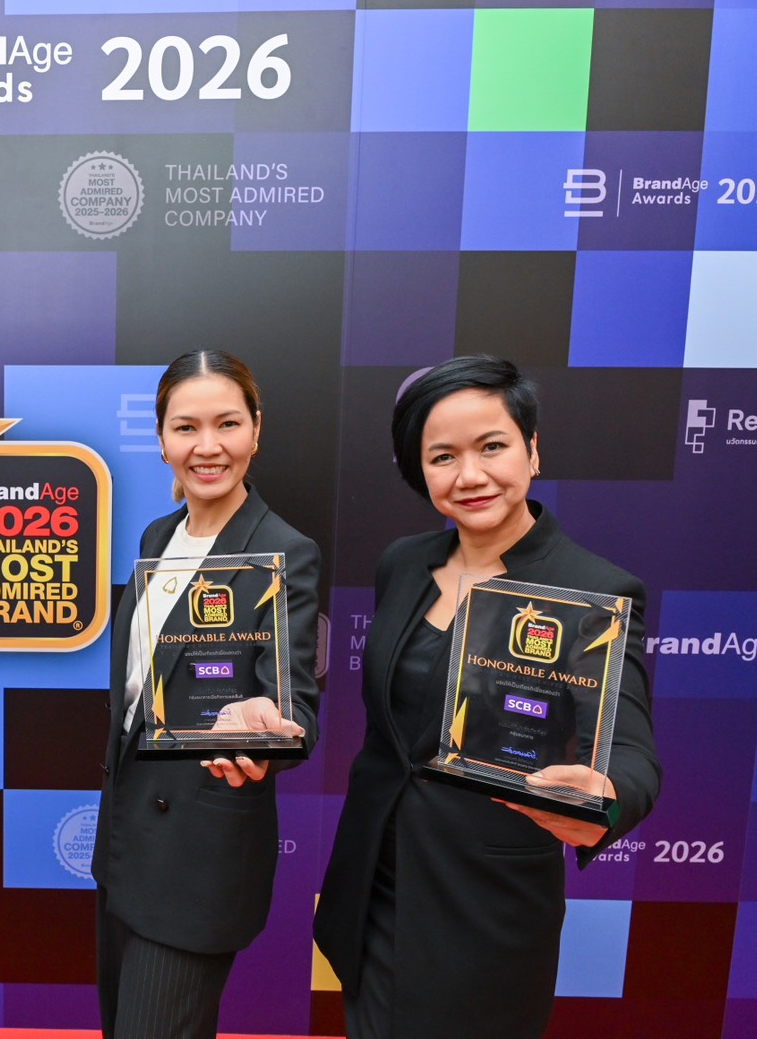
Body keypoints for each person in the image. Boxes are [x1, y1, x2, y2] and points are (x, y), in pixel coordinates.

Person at [314, 355, 661, 1038]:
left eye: (492, 446)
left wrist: (606, 796)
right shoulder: (403, 563)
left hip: (484, 908)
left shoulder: (591, 589)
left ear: (532, 449)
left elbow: (630, 751)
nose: (469, 475)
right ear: (420, 471)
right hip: (374, 886)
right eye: (442, 456)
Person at [93, 350, 322, 1039]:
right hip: (124, 847)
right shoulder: (156, 536)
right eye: (185, 427)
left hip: (196, 857)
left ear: (256, 429)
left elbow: (295, 710)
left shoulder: (284, 550)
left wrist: (262, 727)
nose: (207, 445)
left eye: (227, 423)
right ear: (162, 440)